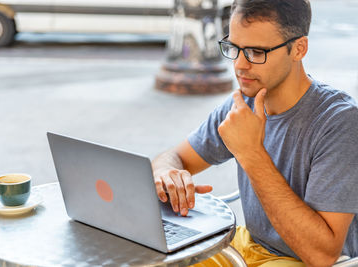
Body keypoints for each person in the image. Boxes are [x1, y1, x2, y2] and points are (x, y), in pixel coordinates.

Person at [152, 0, 358, 266]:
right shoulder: (243, 103)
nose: (239, 65)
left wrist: (251, 153)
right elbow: (171, 157)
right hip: (246, 246)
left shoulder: (339, 122)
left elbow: (322, 255)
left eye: (256, 52)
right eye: (234, 48)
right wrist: (166, 175)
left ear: (298, 49)